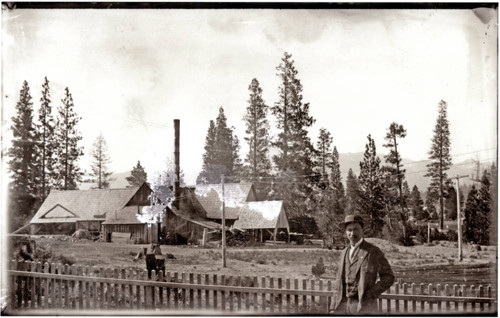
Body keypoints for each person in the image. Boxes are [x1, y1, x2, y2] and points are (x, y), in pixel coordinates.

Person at [330, 215, 395, 314]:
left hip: (364, 305)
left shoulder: (373, 251)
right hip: (343, 305)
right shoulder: (343, 253)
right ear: (345, 232)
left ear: (362, 230)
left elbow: (389, 277)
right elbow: (338, 281)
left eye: (356, 229)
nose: (352, 233)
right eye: (349, 230)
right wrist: (333, 307)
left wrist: (371, 293)